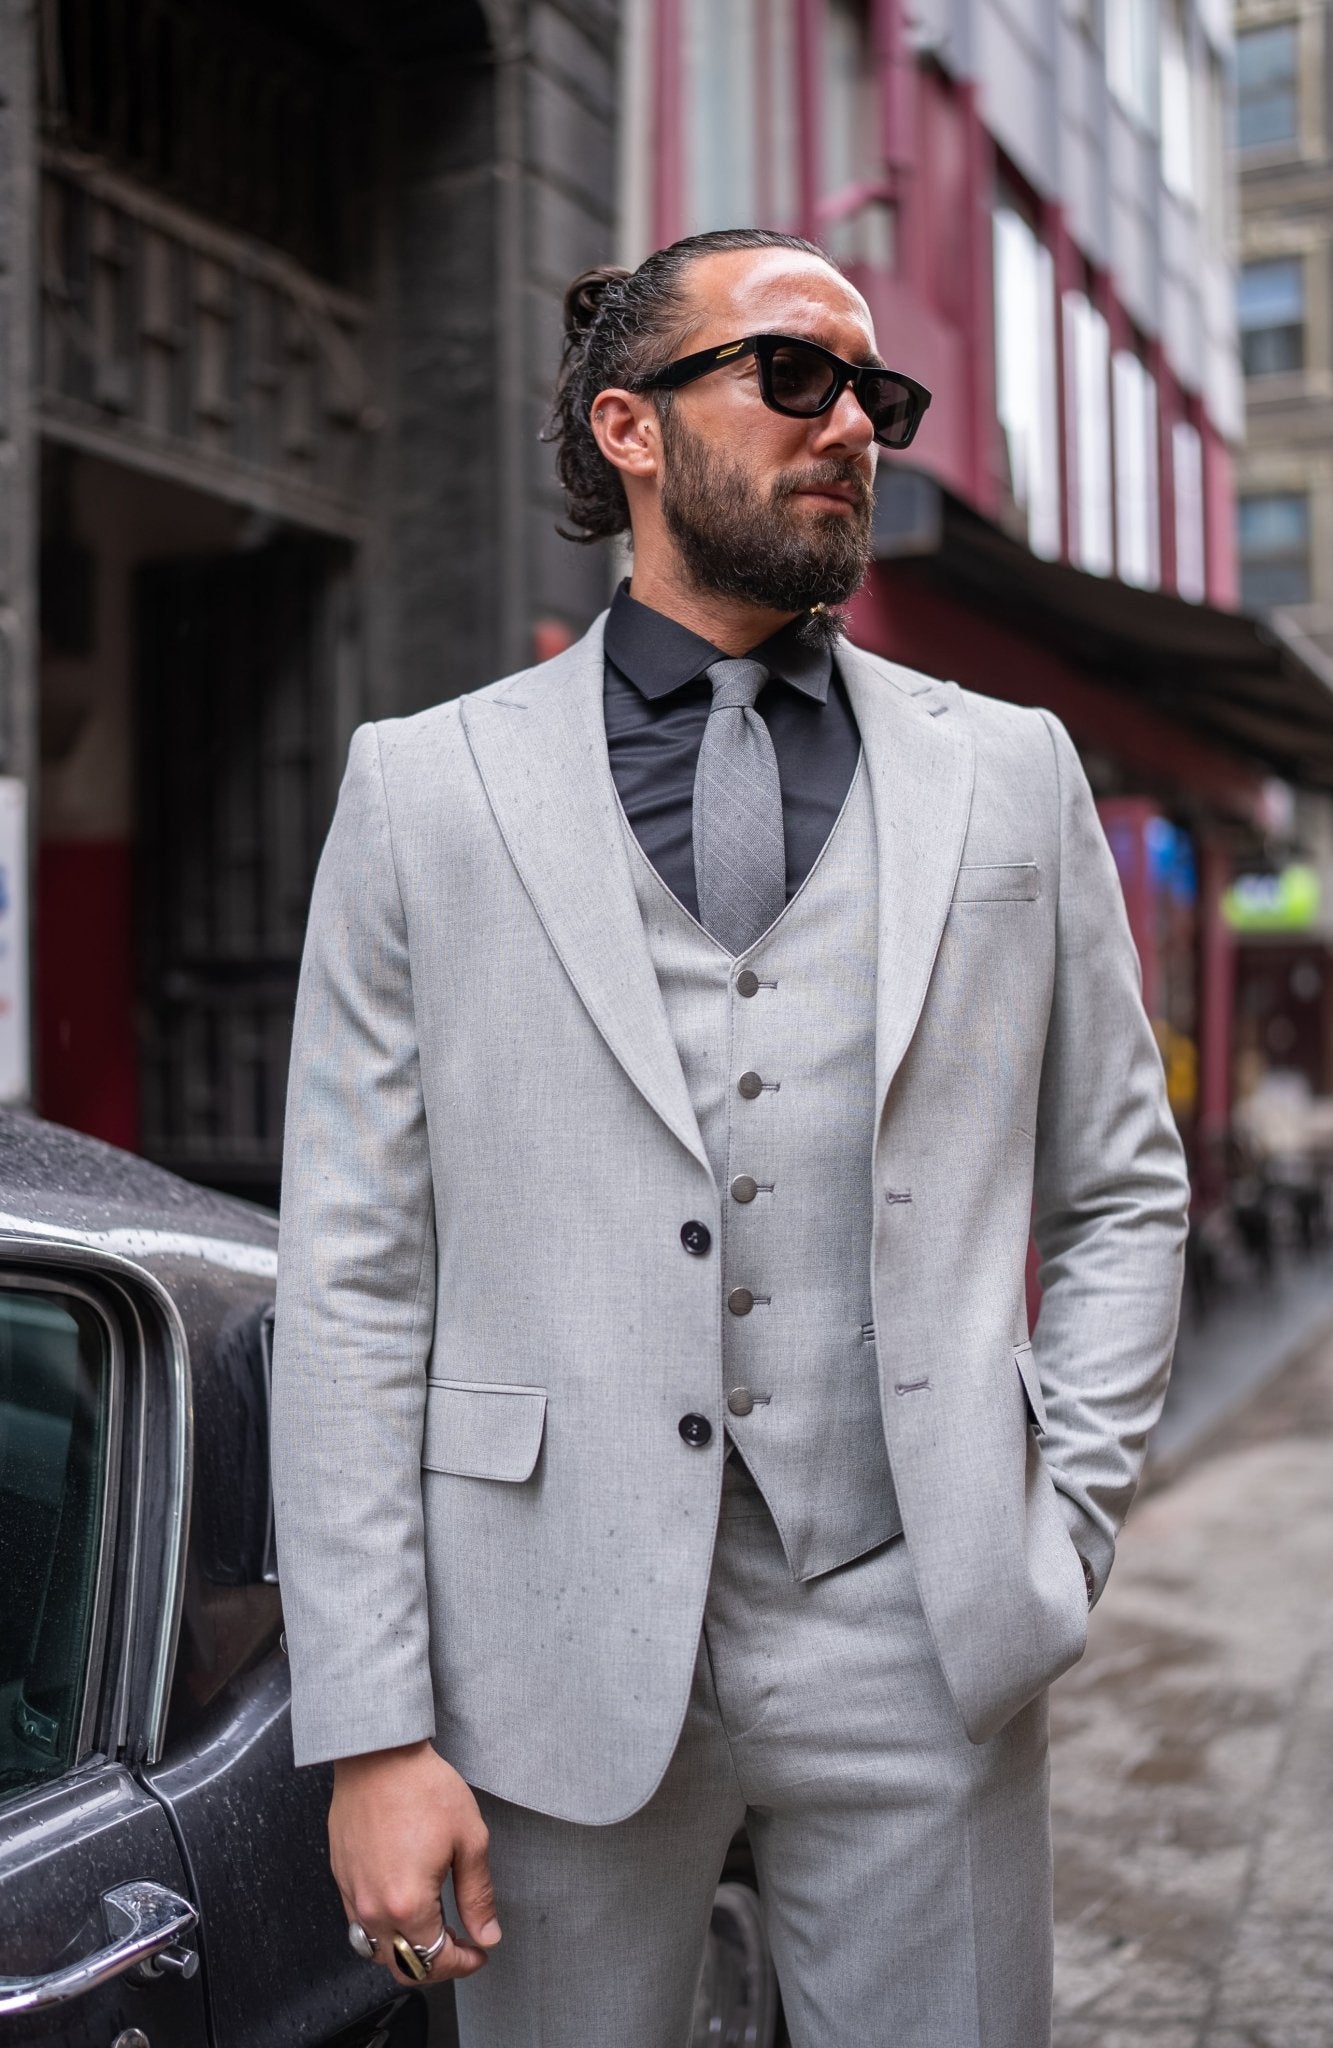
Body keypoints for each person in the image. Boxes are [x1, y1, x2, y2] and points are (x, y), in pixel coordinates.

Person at [270, 226, 1189, 2047]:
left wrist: (1056, 1529)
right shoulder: (424, 787)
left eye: (876, 394)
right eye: (793, 376)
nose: (851, 423)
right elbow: (357, 1268)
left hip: (924, 1626)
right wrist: (372, 1727)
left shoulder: (1011, 774)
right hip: (544, 1646)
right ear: (631, 424)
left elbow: (1123, 1184)